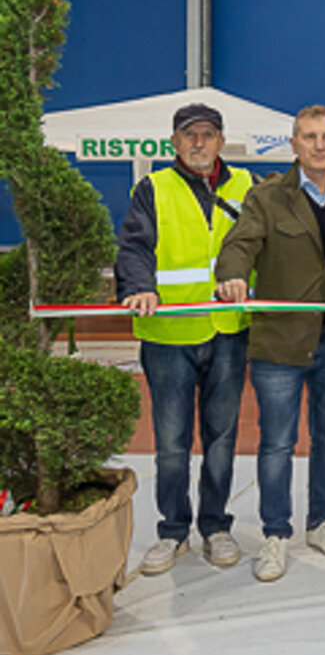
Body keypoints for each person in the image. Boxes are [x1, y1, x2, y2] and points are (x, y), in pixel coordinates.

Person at [215, 104, 325, 582]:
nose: (319, 146)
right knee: (277, 442)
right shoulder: (266, 197)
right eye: (310, 137)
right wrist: (232, 276)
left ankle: (321, 523)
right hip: (280, 341)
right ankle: (275, 534)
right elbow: (239, 245)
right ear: (294, 144)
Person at [116, 102, 254, 575]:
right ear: (174, 142)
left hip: (227, 330)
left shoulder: (246, 186)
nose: (199, 142)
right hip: (169, 333)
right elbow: (134, 247)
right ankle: (173, 531)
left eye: (207, 134)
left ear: (221, 141)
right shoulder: (152, 188)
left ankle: (215, 527)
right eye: (189, 135)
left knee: (222, 438)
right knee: (172, 442)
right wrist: (139, 286)